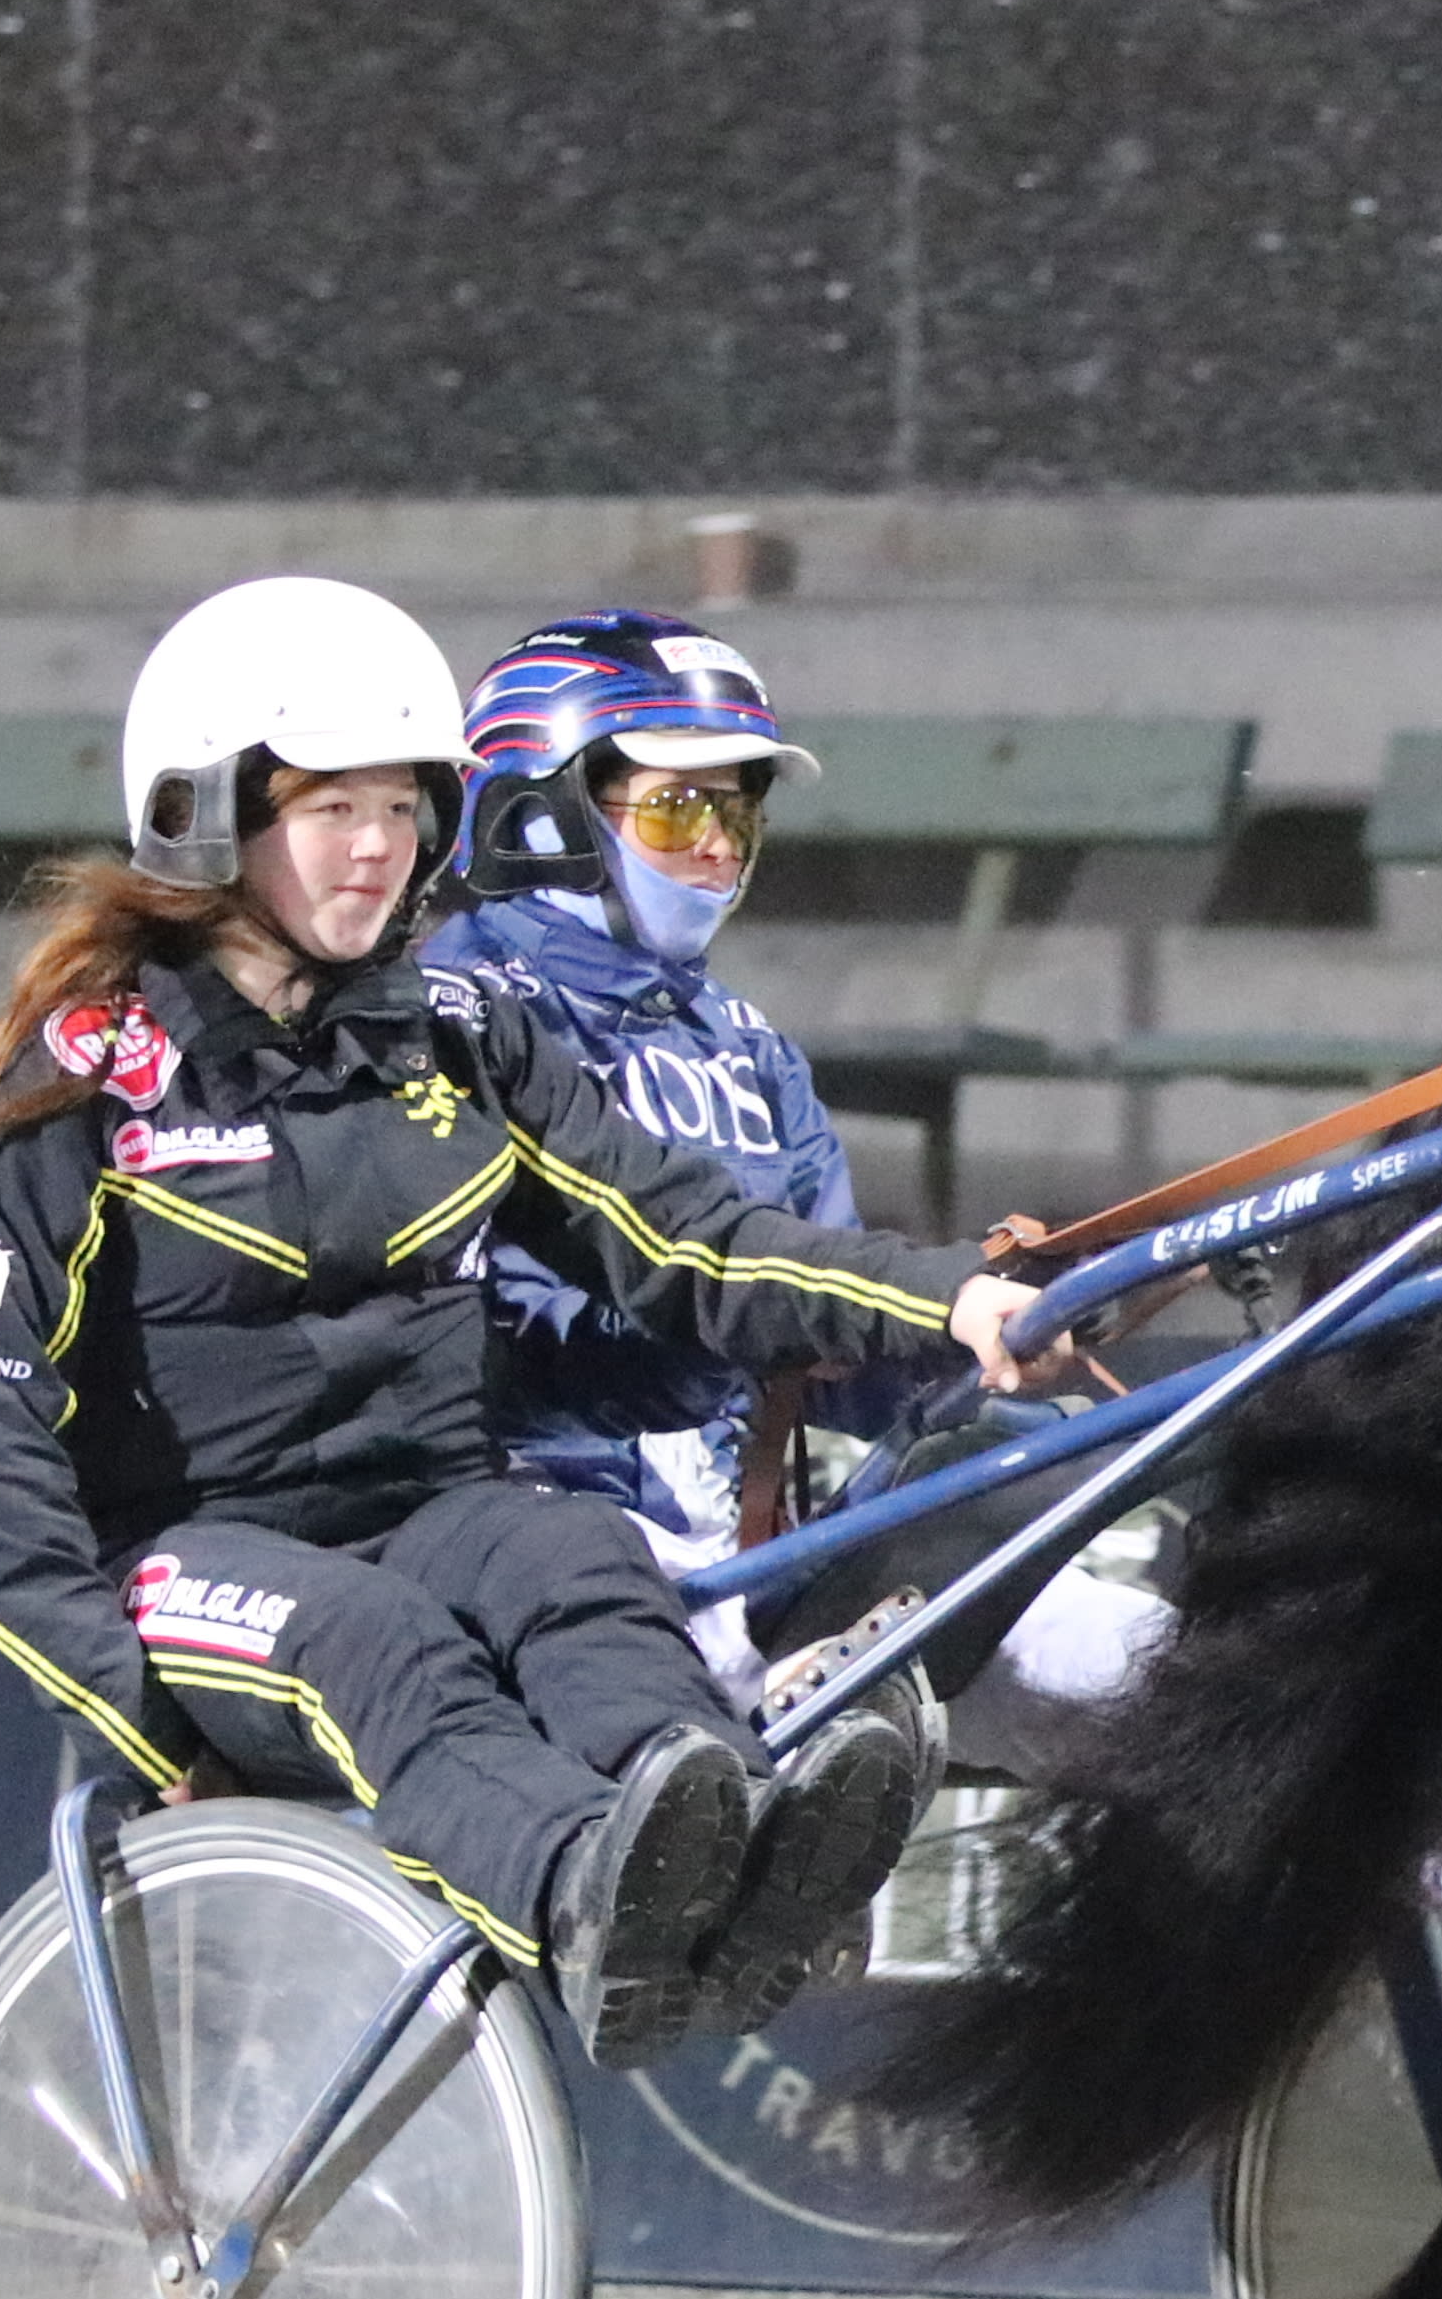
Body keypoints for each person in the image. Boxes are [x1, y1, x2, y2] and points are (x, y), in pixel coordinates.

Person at [0, 576, 1053, 2064]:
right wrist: (134, 1720)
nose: (378, 846)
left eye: (402, 806)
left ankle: (740, 1860)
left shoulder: (457, 1036)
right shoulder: (79, 1076)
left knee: (577, 1554)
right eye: (331, 808)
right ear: (206, 813)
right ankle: (587, 1893)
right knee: (377, 1639)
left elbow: (690, 1240)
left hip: (428, 1506)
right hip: (188, 1561)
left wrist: (946, 1298)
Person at [428, 609, 1187, 1778]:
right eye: (677, 811)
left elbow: (832, 1348)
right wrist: (701, 1347)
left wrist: (992, 1327)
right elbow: (447, 1345)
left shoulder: (749, 1049)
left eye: (737, 814)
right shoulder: (450, 1019)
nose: (718, 849)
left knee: (1183, 1674)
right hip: (553, 1567)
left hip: (761, 1571)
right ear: (537, 814)